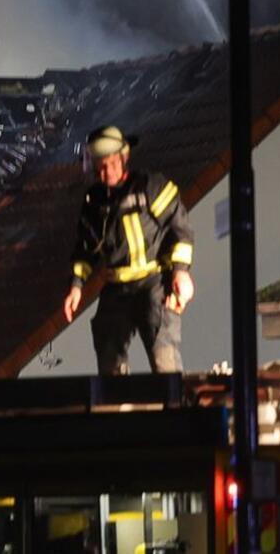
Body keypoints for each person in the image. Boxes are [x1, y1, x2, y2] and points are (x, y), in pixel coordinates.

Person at [60, 124, 194, 374]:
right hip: (117, 289)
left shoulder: (151, 186)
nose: (107, 172)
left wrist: (180, 272)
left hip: (154, 285)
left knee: (164, 358)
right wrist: (76, 286)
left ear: (124, 157)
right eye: (101, 166)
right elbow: (85, 249)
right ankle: (117, 400)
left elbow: (181, 230)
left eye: (112, 164)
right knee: (109, 355)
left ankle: (174, 399)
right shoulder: (94, 202)